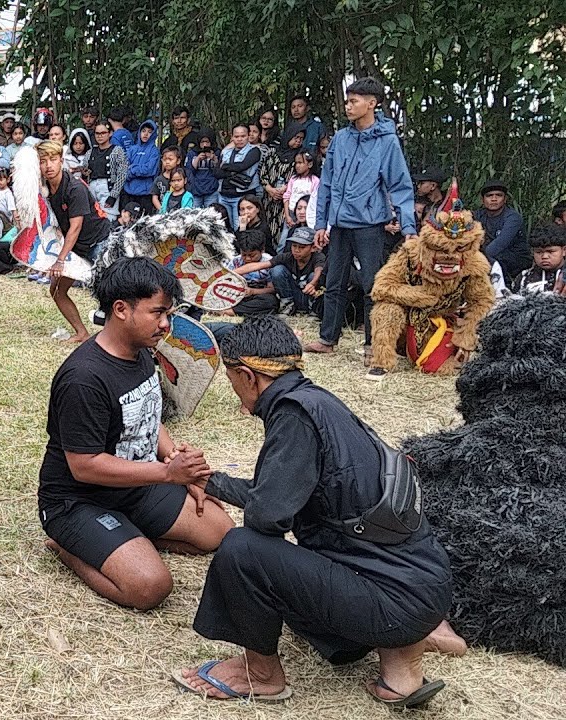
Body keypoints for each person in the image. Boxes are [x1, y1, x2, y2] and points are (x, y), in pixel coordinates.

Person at [176, 317, 462, 707]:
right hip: (423, 588)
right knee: (304, 567)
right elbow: (285, 497)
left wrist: (219, 488)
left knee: (242, 547)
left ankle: (261, 675)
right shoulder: (320, 403)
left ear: (246, 375)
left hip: (393, 601)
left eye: (232, 382)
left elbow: (267, 518)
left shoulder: (294, 416)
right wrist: (212, 482)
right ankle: (404, 661)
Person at [40, 256, 232, 609]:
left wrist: (174, 458)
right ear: (121, 310)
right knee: (150, 588)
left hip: (136, 488)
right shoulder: (83, 377)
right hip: (78, 501)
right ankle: (66, 547)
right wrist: (167, 474)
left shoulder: (142, 352)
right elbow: (84, 466)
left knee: (220, 532)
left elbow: (147, 415)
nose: (165, 324)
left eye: (168, 314)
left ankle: (127, 536)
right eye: (157, 313)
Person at [307, 77, 415, 357]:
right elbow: (326, 183)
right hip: (340, 225)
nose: (348, 106)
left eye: (354, 101)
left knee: (372, 285)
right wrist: (321, 223)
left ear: (372, 103)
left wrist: (408, 227)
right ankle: (328, 340)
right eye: (347, 100)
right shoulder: (341, 138)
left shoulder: (387, 142)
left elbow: (400, 185)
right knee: (334, 281)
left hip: (370, 224)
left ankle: (372, 344)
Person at [40, 139, 114, 342]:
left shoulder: (75, 188)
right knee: (56, 290)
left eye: (52, 159)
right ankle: (82, 332)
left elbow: (75, 227)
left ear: (61, 161)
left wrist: (61, 259)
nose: (48, 165)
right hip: (77, 246)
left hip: (101, 242)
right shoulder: (44, 188)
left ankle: (116, 338)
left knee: (110, 294)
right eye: (43, 161)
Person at [473, 180, 530, 280]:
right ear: (482, 200)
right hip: (490, 256)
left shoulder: (512, 218)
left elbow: (500, 244)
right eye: (489, 196)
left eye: (498, 195)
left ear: (505, 199)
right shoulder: (478, 215)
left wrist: (476, 259)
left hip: (515, 259)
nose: (494, 199)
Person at [214, 123, 261, 229]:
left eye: (243, 136)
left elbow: (242, 166)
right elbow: (216, 173)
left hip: (242, 197)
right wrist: (232, 171)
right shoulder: (226, 152)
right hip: (223, 195)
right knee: (224, 227)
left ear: (248, 136)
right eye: (236, 136)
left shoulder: (254, 151)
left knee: (239, 227)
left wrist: (225, 166)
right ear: (232, 137)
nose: (239, 139)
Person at [87, 122, 127, 221]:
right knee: (92, 217)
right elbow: (85, 168)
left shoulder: (117, 151)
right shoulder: (90, 152)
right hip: (92, 186)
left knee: (108, 218)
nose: (100, 136)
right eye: (97, 133)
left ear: (110, 133)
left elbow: (122, 173)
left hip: (108, 187)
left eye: (103, 133)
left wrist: (113, 195)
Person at [510, 223, 565, 295]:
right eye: (539, 252)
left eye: (550, 251)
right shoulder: (524, 278)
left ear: (564, 251)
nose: (544, 256)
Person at [185, 132, 220, 208]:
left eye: (207, 142)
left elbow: (220, 171)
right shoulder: (192, 153)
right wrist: (197, 159)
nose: (205, 145)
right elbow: (189, 172)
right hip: (196, 189)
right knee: (194, 215)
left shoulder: (217, 152)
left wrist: (214, 158)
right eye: (202, 142)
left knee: (211, 215)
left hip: (211, 188)